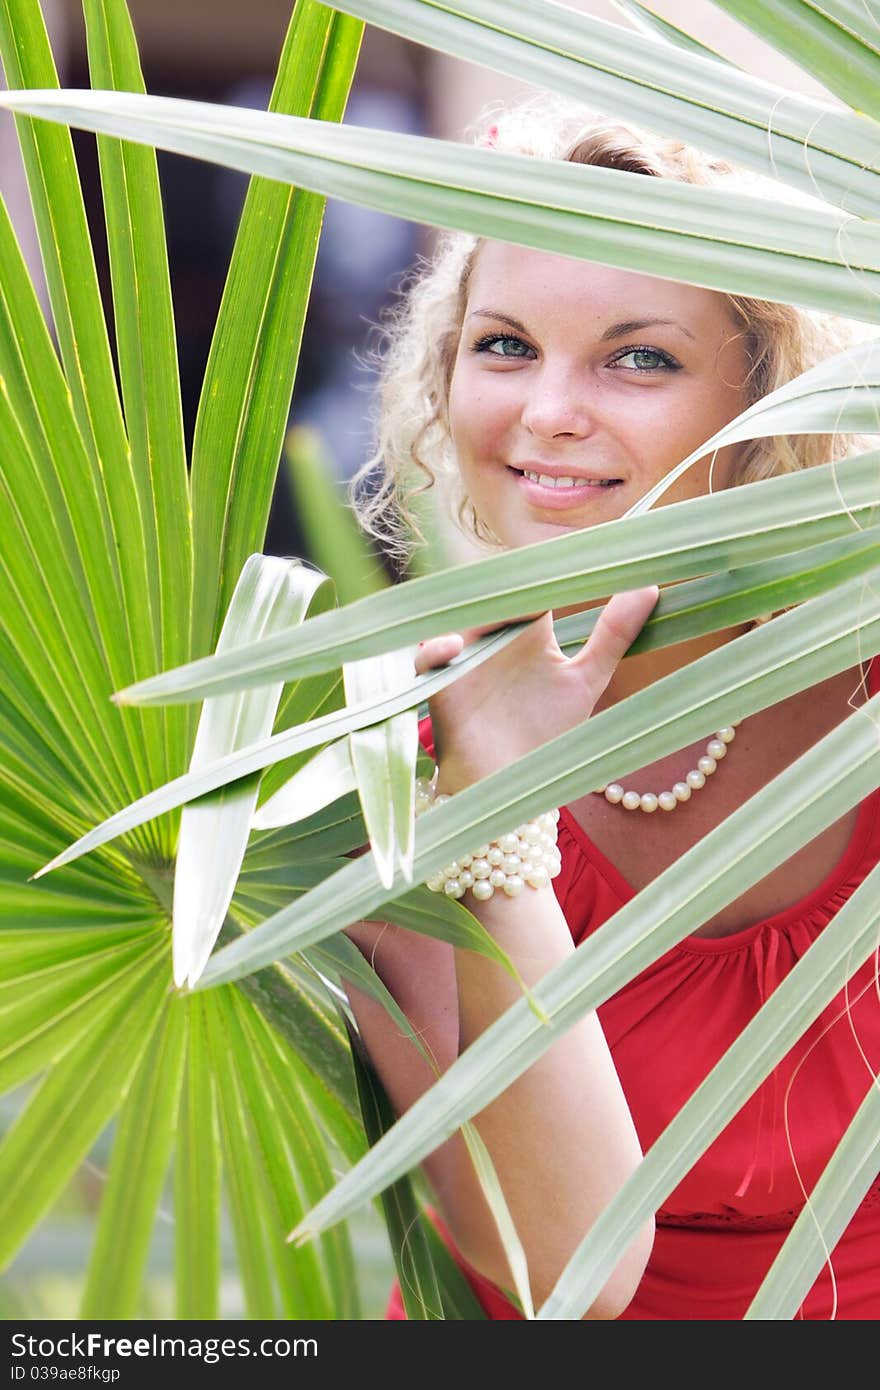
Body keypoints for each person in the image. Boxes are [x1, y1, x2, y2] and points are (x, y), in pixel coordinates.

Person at [340, 97, 880, 1320]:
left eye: (639, 356)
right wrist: (492, 805)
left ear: (766, 405)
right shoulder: (384, 760)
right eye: (504, 345)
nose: (547, 413)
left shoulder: (867, 698)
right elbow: (563, 1270)